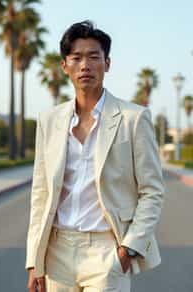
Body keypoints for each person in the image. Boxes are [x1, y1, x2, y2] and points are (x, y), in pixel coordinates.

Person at [26, 20, 165, 292]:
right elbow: (40, 193)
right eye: (76, 58)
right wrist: (34, 261)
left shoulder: (133, 119)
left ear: (107, 63)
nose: (85, 65)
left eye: (93, 57)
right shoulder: (49, 120)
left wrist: (128, 249)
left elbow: (152, 191)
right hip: (56, 252)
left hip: (106, 252)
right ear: (64, 66)